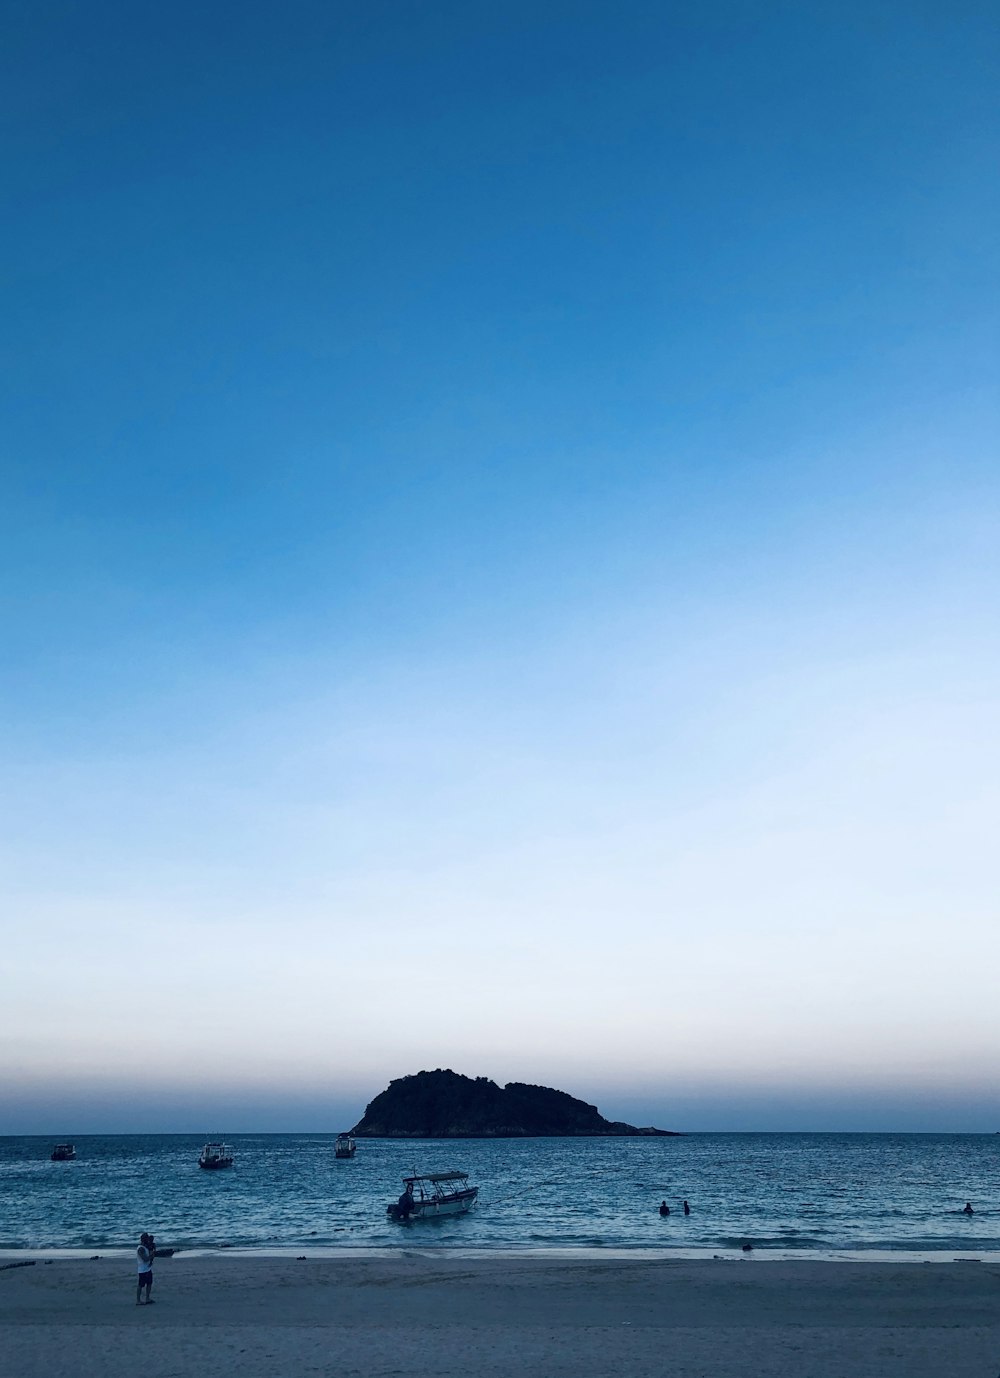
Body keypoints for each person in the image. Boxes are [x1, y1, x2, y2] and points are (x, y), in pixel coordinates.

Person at [136, 1232, 155, 1305]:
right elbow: (145, 1259)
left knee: (149, 1283)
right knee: (140, 1285)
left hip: (147, 1268)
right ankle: (138, 1300)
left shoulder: (146, 1247)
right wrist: (152, 1255)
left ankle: (147, 1298)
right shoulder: (141, 1248)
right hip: (142, 1270)